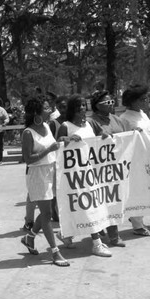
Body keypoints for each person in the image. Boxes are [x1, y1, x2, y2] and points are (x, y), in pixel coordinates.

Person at [57, 95, 112, 257]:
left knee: (89, 206)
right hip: (74, 174)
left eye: (84, 105)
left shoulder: (90, 123)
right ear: (72, 109)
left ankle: (65, 233)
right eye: (79, 106)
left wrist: (104, 137)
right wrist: (66, 139)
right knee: (88, 206)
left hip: (92, 172)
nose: (82, 108)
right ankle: (96, 244)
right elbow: (58, 144)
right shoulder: (65, 126)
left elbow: (101, 136)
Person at [20, 97, 69, 267]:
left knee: (47, 211)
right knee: (47, 214)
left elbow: (54, 146)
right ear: (37, 112)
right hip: (37, 174)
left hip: (52, 170)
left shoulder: (47, 126)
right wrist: (49, 149)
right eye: (46, 108)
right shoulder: (28, 132)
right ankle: (55, 252)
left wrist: (62, 142)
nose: (50, 110)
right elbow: (28, 159)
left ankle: (30, 237)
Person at [87, 90, 128, 247]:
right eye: (107, 103)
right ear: (97, 106)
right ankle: (113, 236)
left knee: (113, 201)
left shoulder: (117, 119)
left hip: (117, 168)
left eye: (112, 102)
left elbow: (127, 136)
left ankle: (111, 234)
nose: (111, 105)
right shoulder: (91, 122)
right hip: (100, 169)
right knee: (102, 202)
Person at [118, 84, 150, 236]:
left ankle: (137, 218)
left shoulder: (143, 114)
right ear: (133, 101)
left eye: (146, 98)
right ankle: (138, 225)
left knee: (145, 190)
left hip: (148, 157)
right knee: (137, 191)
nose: (146, 101)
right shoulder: (124, 119)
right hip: (134, 160)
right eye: (143, 99)